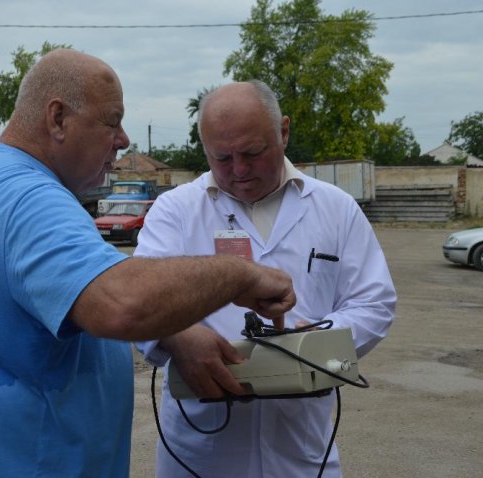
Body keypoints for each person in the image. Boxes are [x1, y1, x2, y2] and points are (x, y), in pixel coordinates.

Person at [0, 51, 296, 478]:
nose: (124, 139)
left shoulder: (1, 178)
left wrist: (175, 332)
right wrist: (241, 274)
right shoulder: (26, 198)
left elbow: (87, 291)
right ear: (57, 118)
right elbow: (120, 303)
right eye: (111, 122)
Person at [135, 80, 397, 477]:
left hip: (303, 452)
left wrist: (321, 339)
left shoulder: (336, 209)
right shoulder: (175, 210)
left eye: (253, 153)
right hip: (199, 455)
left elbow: (374, 301)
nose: (239, 171)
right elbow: (141, 298)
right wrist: (179, 336)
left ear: (284, 131)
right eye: (221, 157)